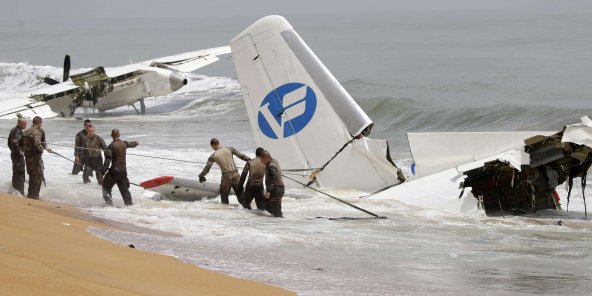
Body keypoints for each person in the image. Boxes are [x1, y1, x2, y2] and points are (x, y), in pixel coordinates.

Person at [198, 138, 251, 204]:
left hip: (226, 177)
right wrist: (251, 161)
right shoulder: (230, 149)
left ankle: (226, 211)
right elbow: (242, 156)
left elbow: (207, 168)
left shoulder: (213, 156)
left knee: (224, 197)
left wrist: (201, 175)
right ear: (219, 143)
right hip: (235, 175)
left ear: (212, 145)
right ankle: (246, 211)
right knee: (241, 195)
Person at [101, 129, 139, 206]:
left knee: (105, 188)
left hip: (114, 171)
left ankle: (109, 205)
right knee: (124, 190)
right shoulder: (124, 144)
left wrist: (102, 172)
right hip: (123, 172)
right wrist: (136, 143)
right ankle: (130, 207)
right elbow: (131, 144)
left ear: (111, 135)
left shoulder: (111, 146)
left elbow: (107, 161)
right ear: (119, 135)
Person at [20, 116, 51, 199]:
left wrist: (47, 148)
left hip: (27, 157)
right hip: (35, 158)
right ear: (39, 123)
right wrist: (41, 150)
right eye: (41, 123)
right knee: (38, 176)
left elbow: (20, 143)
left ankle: (30, 194)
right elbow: (38, 145)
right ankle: (34, 196)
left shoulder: (25, 131)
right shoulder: (36, 132)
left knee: (32, 175)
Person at [261, 150, 284, 217]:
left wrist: (268, 191)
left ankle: (280, 221)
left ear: (266, 158)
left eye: (262, 160)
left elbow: (275, 178)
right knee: (264, 203)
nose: (262, 162)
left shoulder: (271, 166)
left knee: (277, 214)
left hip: (277, 189)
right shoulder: (273, 160)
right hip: (276, 188)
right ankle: (277, 216)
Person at [7, 116, 27, 195]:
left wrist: (12, 150)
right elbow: (15, 143)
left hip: (14, 155)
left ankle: (14, 190)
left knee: (15, 172)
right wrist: (20, 151)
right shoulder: (18, 131)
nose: (25, 125)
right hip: (17, 156)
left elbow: (9, 143)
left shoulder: (13, 130)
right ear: (19, 123)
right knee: (20, 173)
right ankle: (20, 192)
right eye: (24, 124)